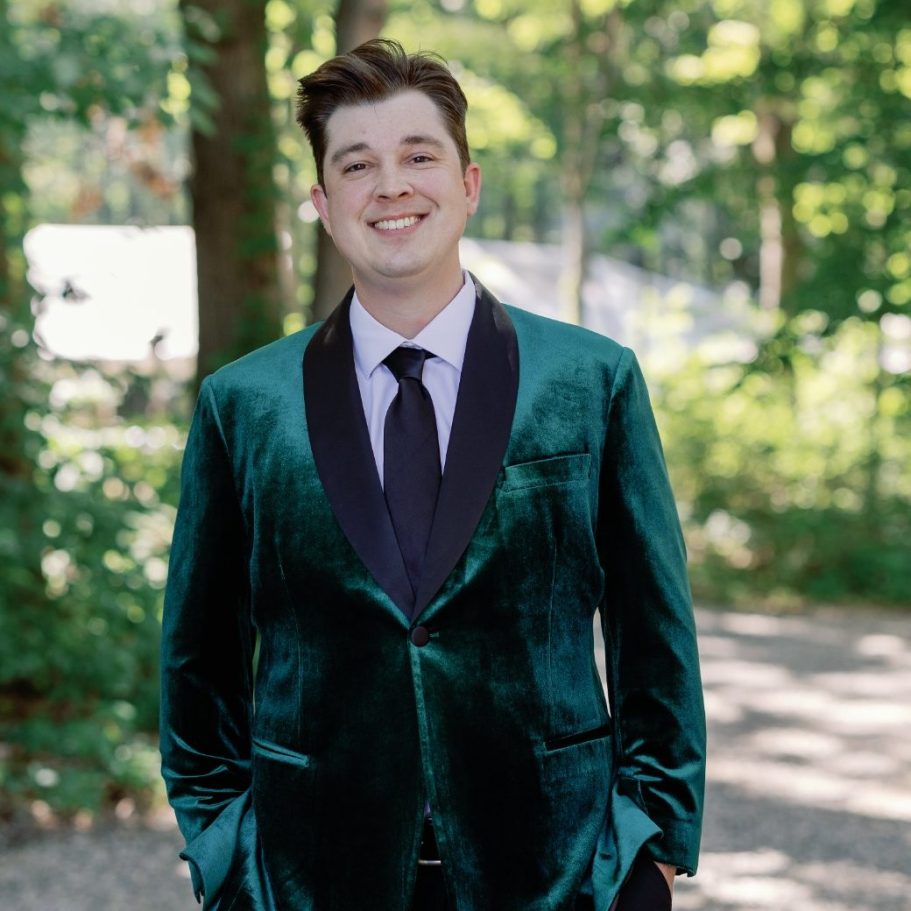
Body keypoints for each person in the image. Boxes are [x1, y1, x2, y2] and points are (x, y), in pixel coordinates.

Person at [160, 38, 706, 911]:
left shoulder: (590, 380)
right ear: (323, 203)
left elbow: (654, 631)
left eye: (419, 156)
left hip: (557, 867)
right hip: (309, 874)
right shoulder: (244, 404)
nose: (392, 186)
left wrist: (653, 849)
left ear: (468, 183)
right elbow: (198, 657)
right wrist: (222, 847)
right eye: (357, 165)